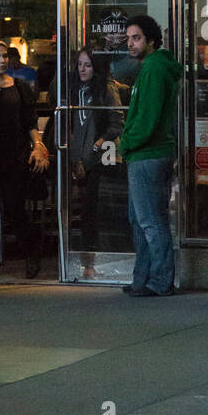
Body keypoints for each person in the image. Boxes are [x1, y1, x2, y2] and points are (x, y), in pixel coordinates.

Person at [0, 40, 50, 280]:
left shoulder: (20, 87)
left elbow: (29, 122)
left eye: (4, 56)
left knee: (16, 210)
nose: (2, 60)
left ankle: (31, 254)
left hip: (14, 155)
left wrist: (37, 145)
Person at [119, 14, 181, 297]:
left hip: (148, 154)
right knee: (141, 218)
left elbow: (148, 117)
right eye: (129, 38)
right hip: (148, 153)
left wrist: (127, 143)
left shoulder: (154, 69)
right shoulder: (153, 67)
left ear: (151, 40)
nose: (131, 44)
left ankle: (158, 280)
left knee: (150, 220)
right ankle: (143, 278)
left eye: (137, 38)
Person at [68, 49, 124, 280]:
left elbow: (116, 123)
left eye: (88, 65)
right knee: (83, 213)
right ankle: (85, 264)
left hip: (101, 158)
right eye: (79, 64)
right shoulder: (72, 90)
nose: (82, 69)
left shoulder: (106, 89)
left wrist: (96, 145)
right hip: (77, 157)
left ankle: (93, 263)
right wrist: (76, 158)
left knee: (95, 212)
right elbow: (70, 127)